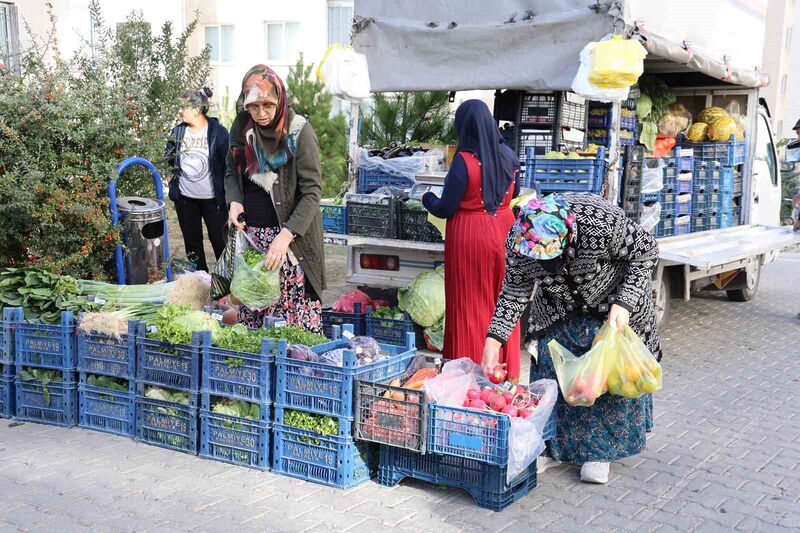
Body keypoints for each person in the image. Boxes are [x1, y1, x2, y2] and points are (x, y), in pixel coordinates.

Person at [482, 193, 661, 484]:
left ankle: (599, 452)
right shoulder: (520, 242)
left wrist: (624, 303)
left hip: (612, 302)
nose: (551, 268)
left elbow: (646, 252)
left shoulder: (599, 222)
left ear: (570, 238)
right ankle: (553, 446)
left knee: (605, 377)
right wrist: (494, 339)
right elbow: (515, 292)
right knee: (553, 374)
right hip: (557, 308)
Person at [423, 99, 522, 381]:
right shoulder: (509, 156)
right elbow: (514, 194)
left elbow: (446, 208)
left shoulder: (464, 162)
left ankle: (470, 376)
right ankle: (506, 371)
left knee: (471, 303)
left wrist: (426, 198)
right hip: (505, 229)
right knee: (504, 302)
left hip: (470, 236)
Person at [225, 65, 325, 333]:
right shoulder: (241, 127)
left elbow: (313, 192)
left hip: (291, 244)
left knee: (291, 330)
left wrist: (285, 236)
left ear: (280, 99)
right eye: (254, 107)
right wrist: (234, 201)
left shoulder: (299, 132)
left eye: (268, 105)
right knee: (253, 323)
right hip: (254, 240)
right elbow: (231, 170)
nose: (262, 114)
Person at [166, 87, 230, 273]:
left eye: (183, 107)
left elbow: (229, 165)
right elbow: (168, 159)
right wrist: (172, 183)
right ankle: (201, 280)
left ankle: (225, 282)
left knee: (220, 241)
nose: (180, 111)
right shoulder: (177, 132)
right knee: (192, 245)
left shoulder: (218, 132)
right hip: (186, 200)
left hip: (214, 200)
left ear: (196, 109)